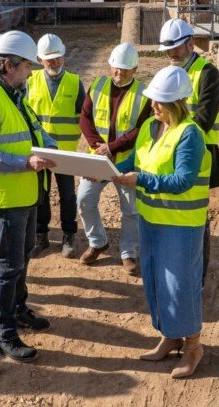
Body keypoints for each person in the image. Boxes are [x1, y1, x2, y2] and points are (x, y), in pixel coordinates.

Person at [0, 31, 57, 363]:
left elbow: (34, 132)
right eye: (26, 66)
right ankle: (2, 333)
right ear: (8, 65)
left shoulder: (16, 94)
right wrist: (24, 162)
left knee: (24, 253)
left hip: (24, 192)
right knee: (8, 264)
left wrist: (59, 152)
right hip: (4, 196)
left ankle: (18, 309)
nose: (31, 72)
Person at [113, 66, 210, 378]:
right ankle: (170, 336)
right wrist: (109, 169)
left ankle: (193, 346)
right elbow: (133, 161)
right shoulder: (149, 128)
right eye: (153, 99)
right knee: (155, 279)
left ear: (177, 103)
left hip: (180, 224)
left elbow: (182, 180)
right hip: (151, 218)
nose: (152, 105)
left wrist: (140, 179)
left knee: (180, 284)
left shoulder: (190, 134)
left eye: (159, 101)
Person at [157, 18, 219, 284]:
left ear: (190, 43)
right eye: (167, 51)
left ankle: (198, 274)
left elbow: (204, 119)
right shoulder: (170, 71)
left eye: (175, 49)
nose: (170, 55)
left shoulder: (208, 73)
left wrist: (173, 138)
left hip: (200, 155)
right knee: (174, 209)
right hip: (170, 152)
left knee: (198, 216)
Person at [77, 42, 151, 275]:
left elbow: (140, 130)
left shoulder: (143, 94)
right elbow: (85, 118)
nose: (119, 73)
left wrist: (112, 147)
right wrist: (97, 145)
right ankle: (98, 241)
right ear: (110, 66)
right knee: (85, 200)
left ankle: (129, 252)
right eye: (116, 68)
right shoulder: (98, 85)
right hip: (97, 159)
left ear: (135, 69)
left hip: (126, 161)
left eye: (125, 70)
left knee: (130, 209)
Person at [26, 33, 85, 258]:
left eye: (58, 57)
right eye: (49, 59)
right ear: (40, 60)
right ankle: (41, 235)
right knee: (41, 194)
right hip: (40, 152)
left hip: (65, 152)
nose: (55, 62)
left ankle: (69, 234)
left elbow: (85, 117)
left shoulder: (74, 81)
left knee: (68, 195)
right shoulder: (31, 82)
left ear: (64, 56)